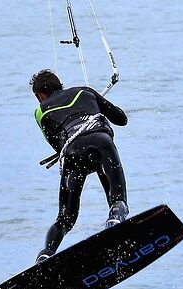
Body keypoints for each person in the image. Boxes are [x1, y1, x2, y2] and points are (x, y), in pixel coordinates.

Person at [30, 69, 129, 264]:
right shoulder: (84, 92)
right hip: (102, 142)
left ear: (40, 96)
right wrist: (96, 108)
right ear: (60, 85)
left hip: (72, 152)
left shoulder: (40, 112)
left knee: (65, 219)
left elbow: (58, 146)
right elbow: (121, 119)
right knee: (118, 201)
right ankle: (115, 220)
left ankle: (45, 254)